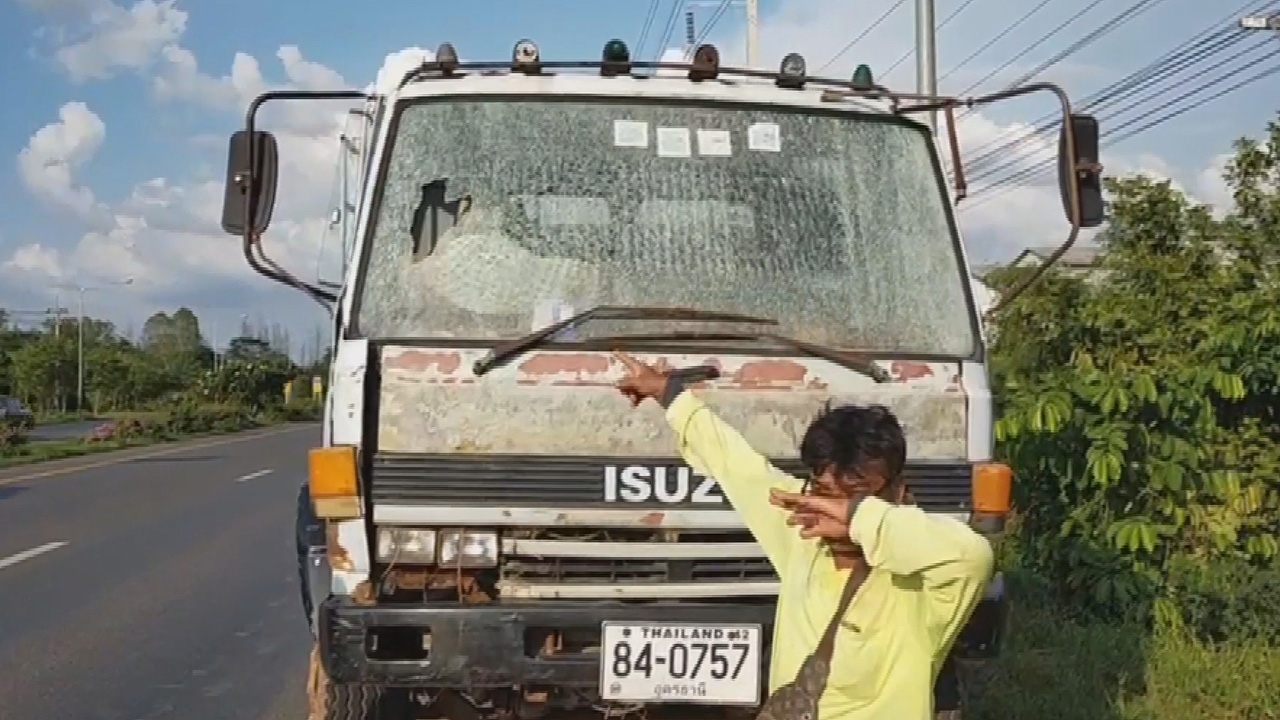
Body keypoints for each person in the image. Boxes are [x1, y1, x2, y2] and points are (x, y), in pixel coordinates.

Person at [612, 351, 993, 720]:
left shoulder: (923, 584)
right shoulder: (801, 529)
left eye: (857, 497)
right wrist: (668, 393)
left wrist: (861, 519)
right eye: (827, 495)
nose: (834, 512)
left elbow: (973, 557)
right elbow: (734, 461)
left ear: (897, 492)